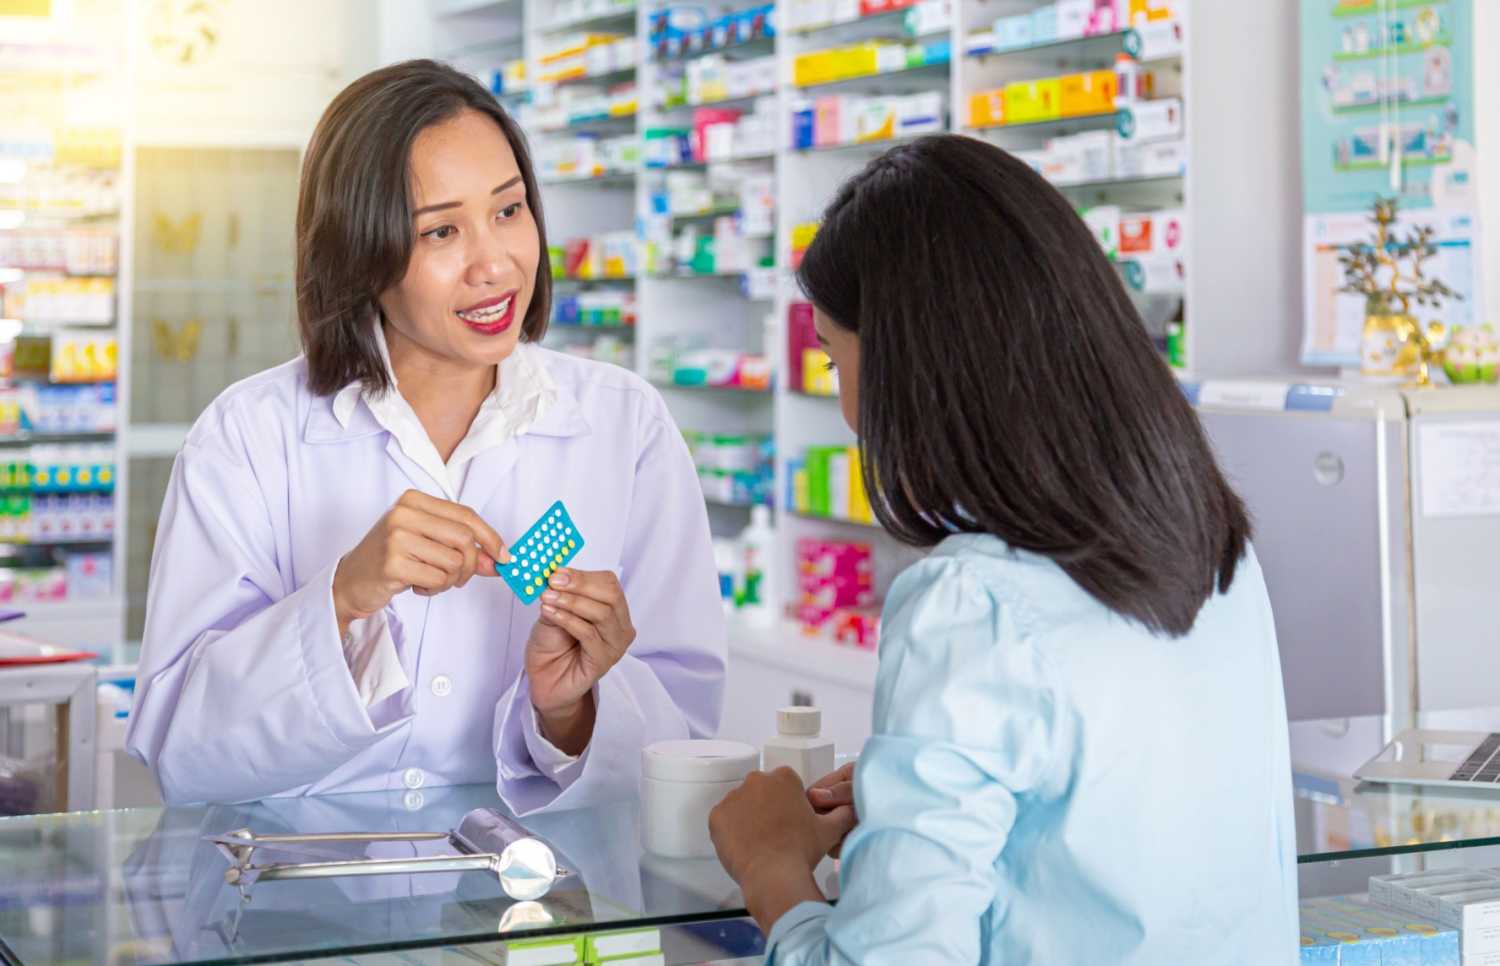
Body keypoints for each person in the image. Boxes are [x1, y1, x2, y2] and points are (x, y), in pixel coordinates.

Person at [708, 134, 1297, 963]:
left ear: (910, 368)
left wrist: (771, 867)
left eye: (836, 357)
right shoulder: (1210, 545)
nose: (847, 404)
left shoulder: (971, 602)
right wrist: (914, 807)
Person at [125, 60, 725, 814]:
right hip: (293, 900)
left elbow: (689, 735)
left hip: (528, 906)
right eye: (441, 230)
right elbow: (181, 756)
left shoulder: (623, 427)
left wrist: (568, 713)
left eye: (509, 211)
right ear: (359, 251)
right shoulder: (247, 437)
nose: (496, 263)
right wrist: (342, 596)